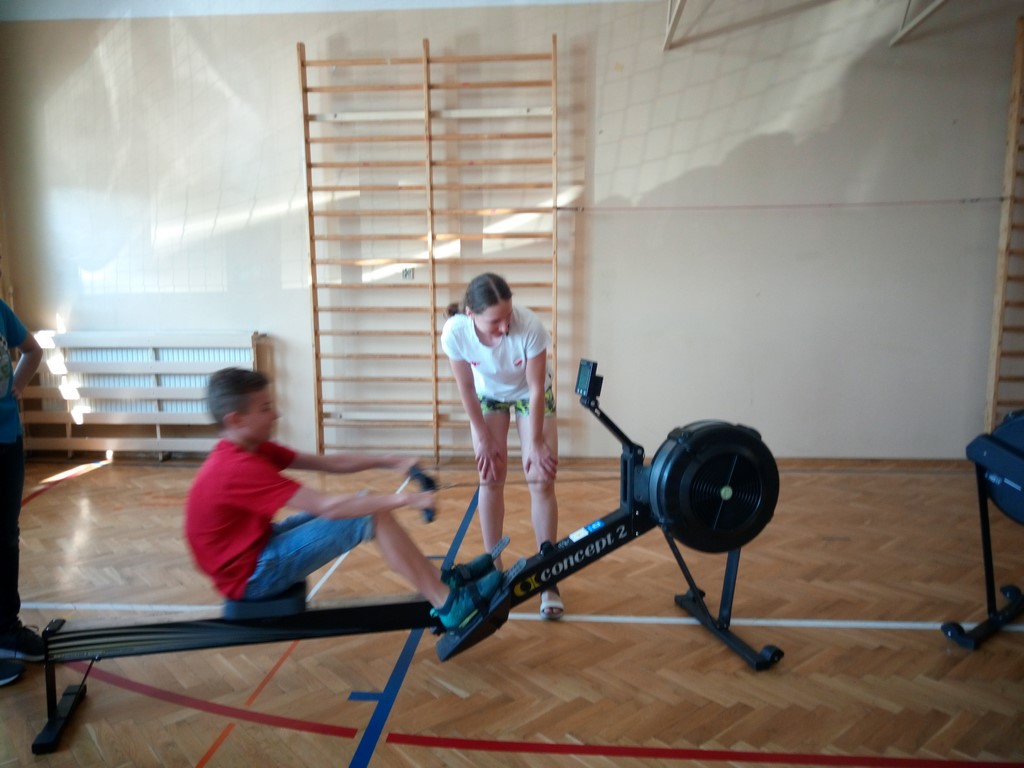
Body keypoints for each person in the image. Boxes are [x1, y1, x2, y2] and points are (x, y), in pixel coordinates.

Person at [184, 367, 502, 632]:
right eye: (265, 408)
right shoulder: (238, 467)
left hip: (254, 550)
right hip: (251, 576)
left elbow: (329, 463)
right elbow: (329, 508)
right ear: (235, 420)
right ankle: (449, 605)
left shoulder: (250, 448)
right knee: (366, 514)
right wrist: (406, 499)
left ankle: (439, 582)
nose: (276, 414)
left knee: (366, 502)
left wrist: (391, 461)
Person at [441, 273, 564, 620]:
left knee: (541, 479)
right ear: (470, 315)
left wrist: (535, 442)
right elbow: (466, 389)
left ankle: (548, 577)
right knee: (490, 478)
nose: (505, 326)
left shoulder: (531, 327)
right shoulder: (455, 333)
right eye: (495, 321)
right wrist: (482, 436)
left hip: (529, 394)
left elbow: (536, 390)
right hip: (488, 396)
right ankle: (493, 572)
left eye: (508, 316)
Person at [0, 297, 45, 662]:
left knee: (6, 535)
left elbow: (33, 350)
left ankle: (6, 628)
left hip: (8, 439)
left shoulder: (1, 310)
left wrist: (18, 384)